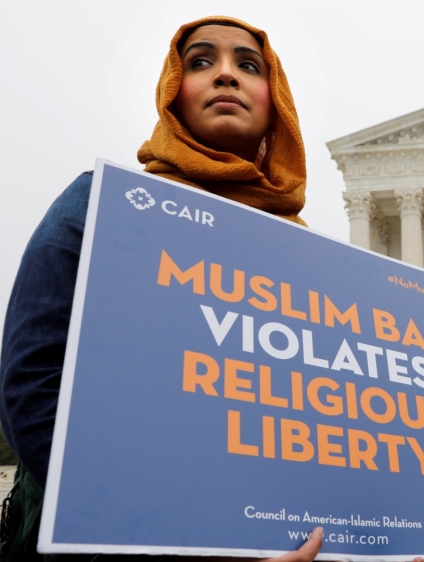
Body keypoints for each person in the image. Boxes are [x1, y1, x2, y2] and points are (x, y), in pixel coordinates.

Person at [0, 16, 325, 562]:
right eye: (201, 61)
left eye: (248, 65)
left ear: (278, 102)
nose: (226, 75)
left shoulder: (309, 255)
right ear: (173, 92)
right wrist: (179, 540)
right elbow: (33, 383)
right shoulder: (102, 204)